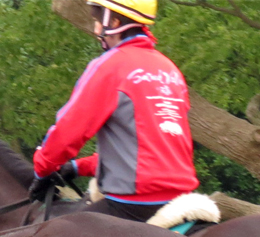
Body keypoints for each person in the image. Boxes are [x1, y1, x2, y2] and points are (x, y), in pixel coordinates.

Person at [30, 0, 198, 223]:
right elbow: (150, 151)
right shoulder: (169, 69)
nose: (96, 29)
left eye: (98, 20)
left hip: (134, 204)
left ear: (114, 21)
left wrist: (42, 170)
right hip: (181, 198)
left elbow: (68, 131)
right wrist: (77, 167)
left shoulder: (110, 66)